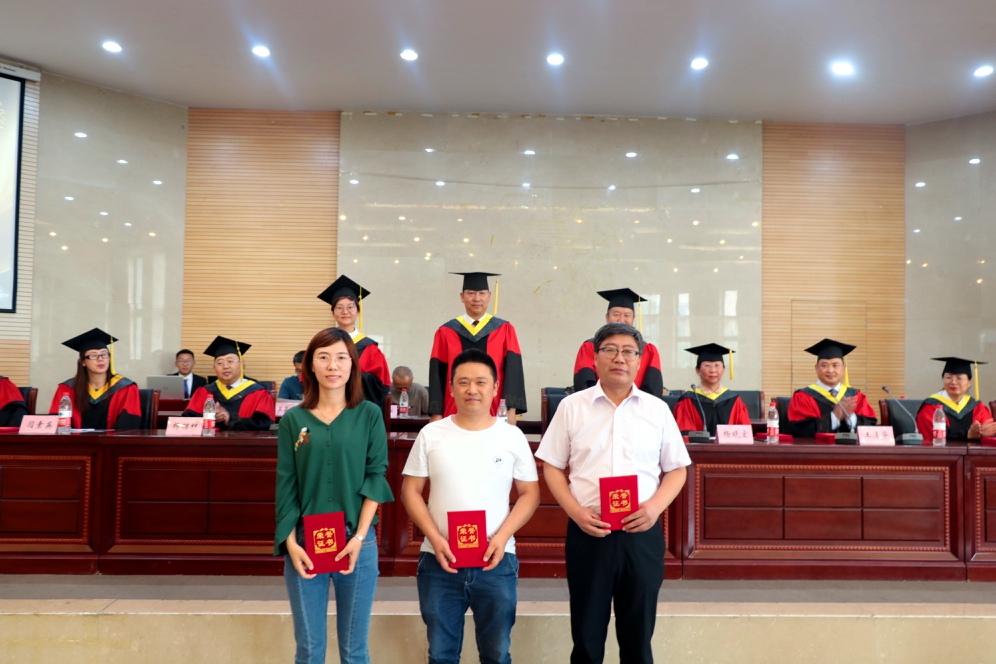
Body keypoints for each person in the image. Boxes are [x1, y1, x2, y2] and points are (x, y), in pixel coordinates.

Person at [536, 323, 691, 664]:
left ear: (639, 361)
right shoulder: (572, 407)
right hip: (589, 532)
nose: (619, 358)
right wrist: (575, 512)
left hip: (642, 534)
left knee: (638, 641)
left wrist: (654, 508)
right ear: (595, 358)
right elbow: (551, 466)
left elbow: (677, 469)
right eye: (610, 350)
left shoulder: (657, 410)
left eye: (628, 352)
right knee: (587, 639)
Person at [401, 349, 540, 664]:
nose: (472, 389)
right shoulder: (431, 434)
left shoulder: (512, 436)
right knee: (441, 655)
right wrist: (435, 538)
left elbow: (530, 493)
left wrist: (502, 538)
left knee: (496, 654)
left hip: (496, 561)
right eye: (463, 382)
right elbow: (411, 490)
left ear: (495, 387)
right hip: (439, 560)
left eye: (480, 382)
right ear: (451, 388)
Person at [275, 327, 394, 664]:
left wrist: (359, 537)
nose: (333, 365)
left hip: (357, 542)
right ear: (310, 366)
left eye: (341, 357)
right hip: (304, 542)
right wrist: (291, 543)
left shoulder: (369, 414)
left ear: (352, 365)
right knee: (309, 650)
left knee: (354, 651)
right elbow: (286, 484)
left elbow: (375, 477)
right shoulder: (294, 420)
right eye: (323, 357)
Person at [429, 271, 527, 421]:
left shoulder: (504, 330)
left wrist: (511, 411)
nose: (476, 298)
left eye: (482, 293)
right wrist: (436, 413)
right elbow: (437, 374)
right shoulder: (446, 332)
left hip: (495, 411)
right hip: (453, 410)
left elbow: (514, 372)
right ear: (462, 297)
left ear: (489, 296)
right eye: (471, 293)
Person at [573, 288, 664, 397]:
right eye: (616, 314)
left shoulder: (649, 351)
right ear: (607, 317)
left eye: (627, 315)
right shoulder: (589, 347)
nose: (621, 319)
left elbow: (653, 391)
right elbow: (584, 386)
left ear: (633, 319)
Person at [318, 275, 391, 408]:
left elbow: (381, 384)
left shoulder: (370, 348)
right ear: (333, 312)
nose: (345, 312)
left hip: (358, 407)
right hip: (327, 406)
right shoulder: (323, 343)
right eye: (339, 307)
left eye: (350, 307)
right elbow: (309, 376)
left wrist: (351, 377)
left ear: (358, 311)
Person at [49, 327, 142, 430]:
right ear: (83, 362)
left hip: (112, 440)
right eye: (93, 355)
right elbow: (56, 424)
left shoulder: (126, 388)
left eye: (104, 354)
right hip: (75, 440)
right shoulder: (66, 389)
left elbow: (129, 427)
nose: (100, 359)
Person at [787, 338, 877, 438]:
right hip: (818, 448)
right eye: (824, 365)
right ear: (816, 369)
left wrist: (851, 417)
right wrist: (834, 417)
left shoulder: (855, 396)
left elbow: (871, 429)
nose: (830, 370)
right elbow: (799, 431)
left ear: (844, 369)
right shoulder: (803, 397)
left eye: (835, 365)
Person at [181, 336, 275, 431]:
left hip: (244, 440)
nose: (225, 366)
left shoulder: (258, 393)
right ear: (214, 368)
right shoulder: (204, 392)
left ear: (241, 364)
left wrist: (231, 419)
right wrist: (208, 419)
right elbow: (187, 422)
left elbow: (266, 425)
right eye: (220, 363)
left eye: (230, 361)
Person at [673, 343, 751, 435]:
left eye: (717, 365)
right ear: (698, 370)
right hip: (697, 445)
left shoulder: (734, 400)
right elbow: (685, 435)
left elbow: (744, 434)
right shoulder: (687, 401)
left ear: (723, 370)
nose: (713, 370)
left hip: (728, 445)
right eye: (707, 366)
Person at [916, 357, 996, 443]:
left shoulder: (978, 408)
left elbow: (989, 432)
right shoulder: (931, 406)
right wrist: (967, 434)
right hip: (942, 451)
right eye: (948, 377)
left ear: (969, 382)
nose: (953, 382)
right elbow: (932, 437)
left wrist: (982, 433)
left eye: (959, 378)